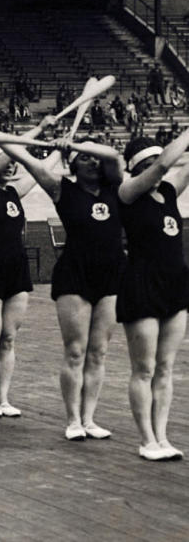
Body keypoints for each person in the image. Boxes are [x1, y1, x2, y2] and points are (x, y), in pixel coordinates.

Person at [0, 136, 125, 440]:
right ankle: (73, 420)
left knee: (99, 352)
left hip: (112, 276)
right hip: (74, 276)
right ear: (73, 164)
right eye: (84, 158)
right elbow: (24, 157)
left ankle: (90, 418)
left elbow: (112, 155)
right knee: (76, 350)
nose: (93, 161)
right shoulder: (61, 189)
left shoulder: (117, 187)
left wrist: (80, 145)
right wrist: (53, 143)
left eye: (94, 156)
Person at [0, 115, 60, 418]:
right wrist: (37, 130)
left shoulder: (14, 192)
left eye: (12, 162)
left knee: (9, 338)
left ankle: (4, 398)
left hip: (16, 270)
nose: (11, 165)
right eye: (4, 160)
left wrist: (60, 144)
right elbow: (10, 152)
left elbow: (41, 169)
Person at [116, 133, 189, 460]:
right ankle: (146, 440)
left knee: (165, 367)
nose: (157, 169)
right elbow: (162, 165)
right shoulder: (127, 193)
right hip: (141, 285)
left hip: (175, 285)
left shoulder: (170, 191)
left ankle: (162, 436)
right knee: (143, 368)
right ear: (135, 168)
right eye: (146, 165)